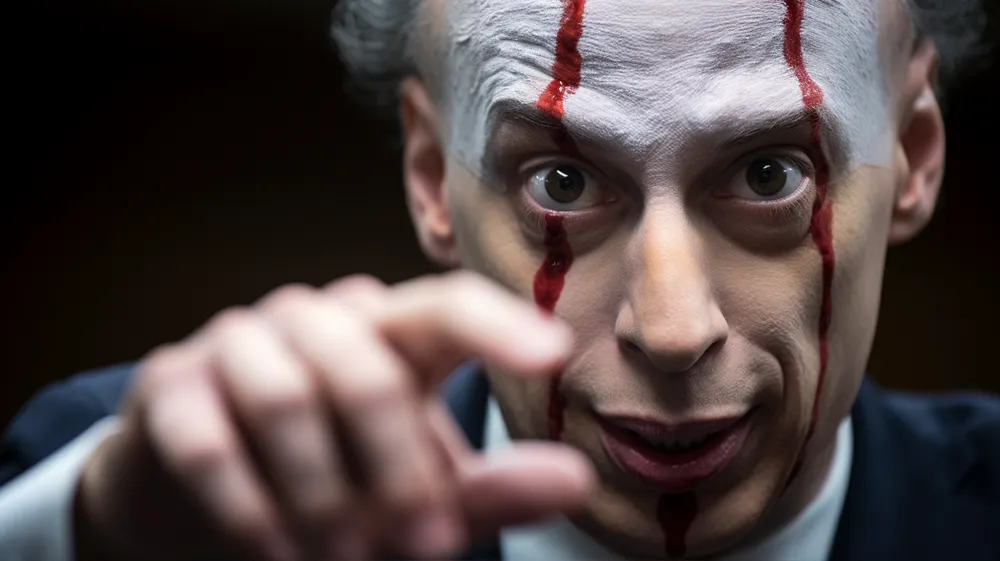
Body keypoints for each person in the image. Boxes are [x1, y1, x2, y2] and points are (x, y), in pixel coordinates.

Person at [1, 0, 998, 559]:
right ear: (432, 175)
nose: (670, 328)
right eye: (562, 181)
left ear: (913, 156)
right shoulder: (138, 498)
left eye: (769, 173)